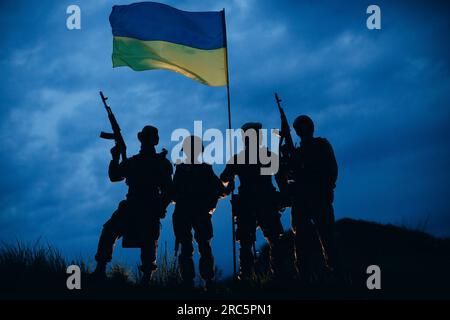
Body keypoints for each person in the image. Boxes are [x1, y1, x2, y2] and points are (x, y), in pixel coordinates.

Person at [93, 125, 173, 284]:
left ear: (154, 141)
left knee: (149, 241)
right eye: (145, 138)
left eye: (149, 138)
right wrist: (115, 156)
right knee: (109, 230)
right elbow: (115, 176)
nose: (146, 142)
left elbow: (168, 192)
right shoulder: (134, 161)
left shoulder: (161, 163)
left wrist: (160, 207)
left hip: (149, 205)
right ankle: (100, 269)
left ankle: (146, 278)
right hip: (132, 204)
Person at [220, 122, 284, 281]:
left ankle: (247, 276)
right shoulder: (268, 155)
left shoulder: (238, 158)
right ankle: (278, 275)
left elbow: (224, 178)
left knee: (246, 243)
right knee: (274, 240)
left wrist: (231, 177)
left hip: (247, 204)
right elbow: (280, 175)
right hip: (265, 202)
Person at [279, 115, 338, 282]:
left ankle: (330, 271)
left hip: (317, 198)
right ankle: (306, 274)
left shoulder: (320, 145)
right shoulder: (298, 151)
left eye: (301, 128)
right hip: (303, 200)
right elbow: (286, 172)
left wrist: (325, 188)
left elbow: (331, 171)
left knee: (325, 237)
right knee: (304, 239)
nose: (300, 131)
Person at [172, 136, 230, 289]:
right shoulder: (200, 168)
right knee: (197, 247)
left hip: (193, 212)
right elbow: (220, 190)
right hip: (194, 212)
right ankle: (201, 281)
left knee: (196, 247)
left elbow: (219, 190)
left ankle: (197, 281)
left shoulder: (197, 168)